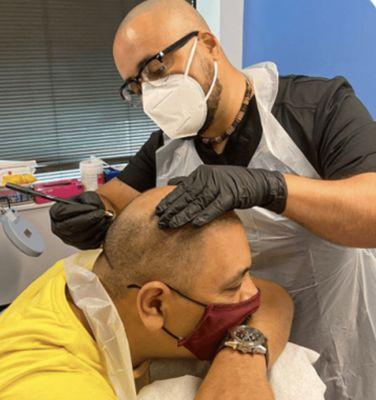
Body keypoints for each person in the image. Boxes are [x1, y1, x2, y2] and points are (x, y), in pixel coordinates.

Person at [49, 0, 376, 399]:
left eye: (156, 68)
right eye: (136, 85)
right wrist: (90, 212)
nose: (151, 91)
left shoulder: (317, 107)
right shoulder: (169, 144)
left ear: (208, 43)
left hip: (332, 321)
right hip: (233, 331)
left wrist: (270, 187)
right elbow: (116, 200)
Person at [0, 187, 294, 400]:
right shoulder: (48, 385)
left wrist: (242, 357)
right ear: (154, 304)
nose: (251, 291)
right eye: (233, 286)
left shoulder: (100, 273)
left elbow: (275, 297)